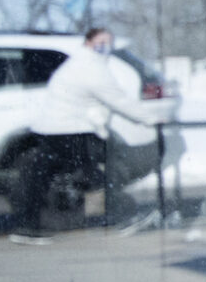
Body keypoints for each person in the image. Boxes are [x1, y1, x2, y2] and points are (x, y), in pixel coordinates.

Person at [9, 26, 159, 245]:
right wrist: (149, 118)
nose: (105, 46)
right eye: (101, 41)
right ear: (88, 42)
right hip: (70, 130)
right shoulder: (90, 67)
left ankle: (26, 226)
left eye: (109, 41)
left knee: (41, 175)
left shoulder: (78, 63)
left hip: (54, 129)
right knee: (94, 175)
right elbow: (117, 100)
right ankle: (124, 216)